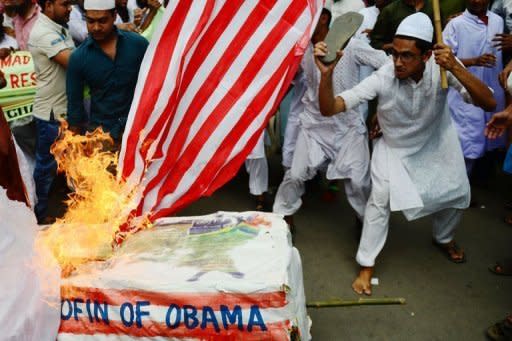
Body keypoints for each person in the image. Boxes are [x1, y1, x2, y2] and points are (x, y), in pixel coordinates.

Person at [315, 12, 496, 295]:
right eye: (395, 54)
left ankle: (443, 237)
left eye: (407, 56)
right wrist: (326, 77)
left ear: (426, 56)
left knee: (459, 193)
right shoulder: (384, 75)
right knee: (380, 198)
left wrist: (456, 68)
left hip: (436, 141)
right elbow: (331, 108)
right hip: (393, 145)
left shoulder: (443, 68)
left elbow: (488, 101)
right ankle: (366, 263)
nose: (397, 62)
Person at [273, 8, 388, 228]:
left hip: (348, 126)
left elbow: (385, 63)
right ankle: (284, 216)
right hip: (313, 125)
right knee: (295, 175)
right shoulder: (302, 49)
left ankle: (364, 221)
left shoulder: (352, 46)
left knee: (359, 183)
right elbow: (287, 79)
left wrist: (384, 106)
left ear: (323, 18)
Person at [66, 0, 149, 143]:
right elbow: (75, 109)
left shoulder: (138, 44)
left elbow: (155, 84)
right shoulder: (78, 58)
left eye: (102, 21)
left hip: (140, 131)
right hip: (103, 137)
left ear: (114, 16)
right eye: (90, 21)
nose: (96, 27)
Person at [443, 0, 507, 177]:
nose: (477, 0)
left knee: (490, 137)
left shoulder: (498, 21)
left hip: (494, 90)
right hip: (465, 94)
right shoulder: (455, 25)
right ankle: (461, 188)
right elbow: (442, 61)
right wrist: (474, 61)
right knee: (465, 143)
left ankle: (479, 180)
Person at [28, 0, 74, 224]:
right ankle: (38, 216)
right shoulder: (43, 32)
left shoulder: (59, 27)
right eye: (65, 4)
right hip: (50, 115)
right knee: (46, 168)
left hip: (64, 112)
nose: (70, 9)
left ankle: (76, 210)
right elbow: (72, 62)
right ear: (48, 5)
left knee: (74, 163)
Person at [370, 0, 466, 51]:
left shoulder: (434, 8)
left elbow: (440, 39)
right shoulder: (390, 11)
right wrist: (395, 46)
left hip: (428, 66)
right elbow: (375, 43)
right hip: (397, 66)